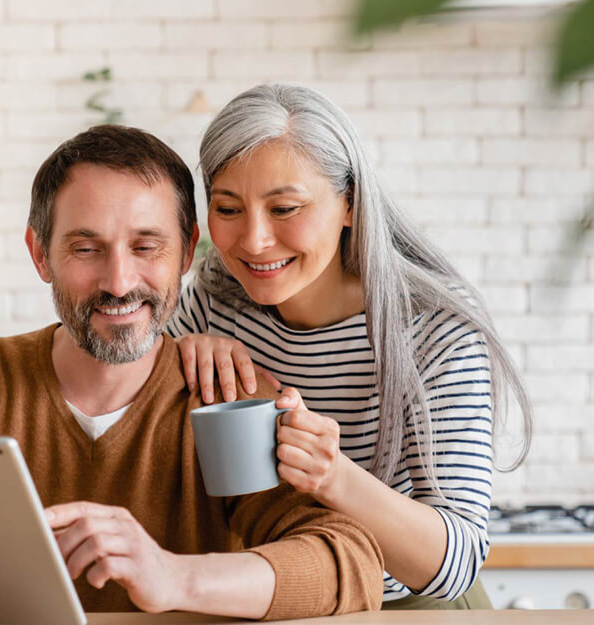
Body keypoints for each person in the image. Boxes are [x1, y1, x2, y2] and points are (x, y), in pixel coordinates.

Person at [0, 125, 384, 625]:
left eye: (146, 246)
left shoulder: (228, 396)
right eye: (86, 248)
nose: (118, 281)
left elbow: (350, 563)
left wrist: (174, 577)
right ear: (40, 254)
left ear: (186, 256)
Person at [167, 83, 532, 609]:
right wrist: (176, 354)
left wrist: (332, 475)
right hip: (277, 598)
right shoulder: (214, 304)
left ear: (350, 205)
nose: (253, 240)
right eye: (228, 209)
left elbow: (457, 562)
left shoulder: (432, 329)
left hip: (404, 603)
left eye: (285, 208)